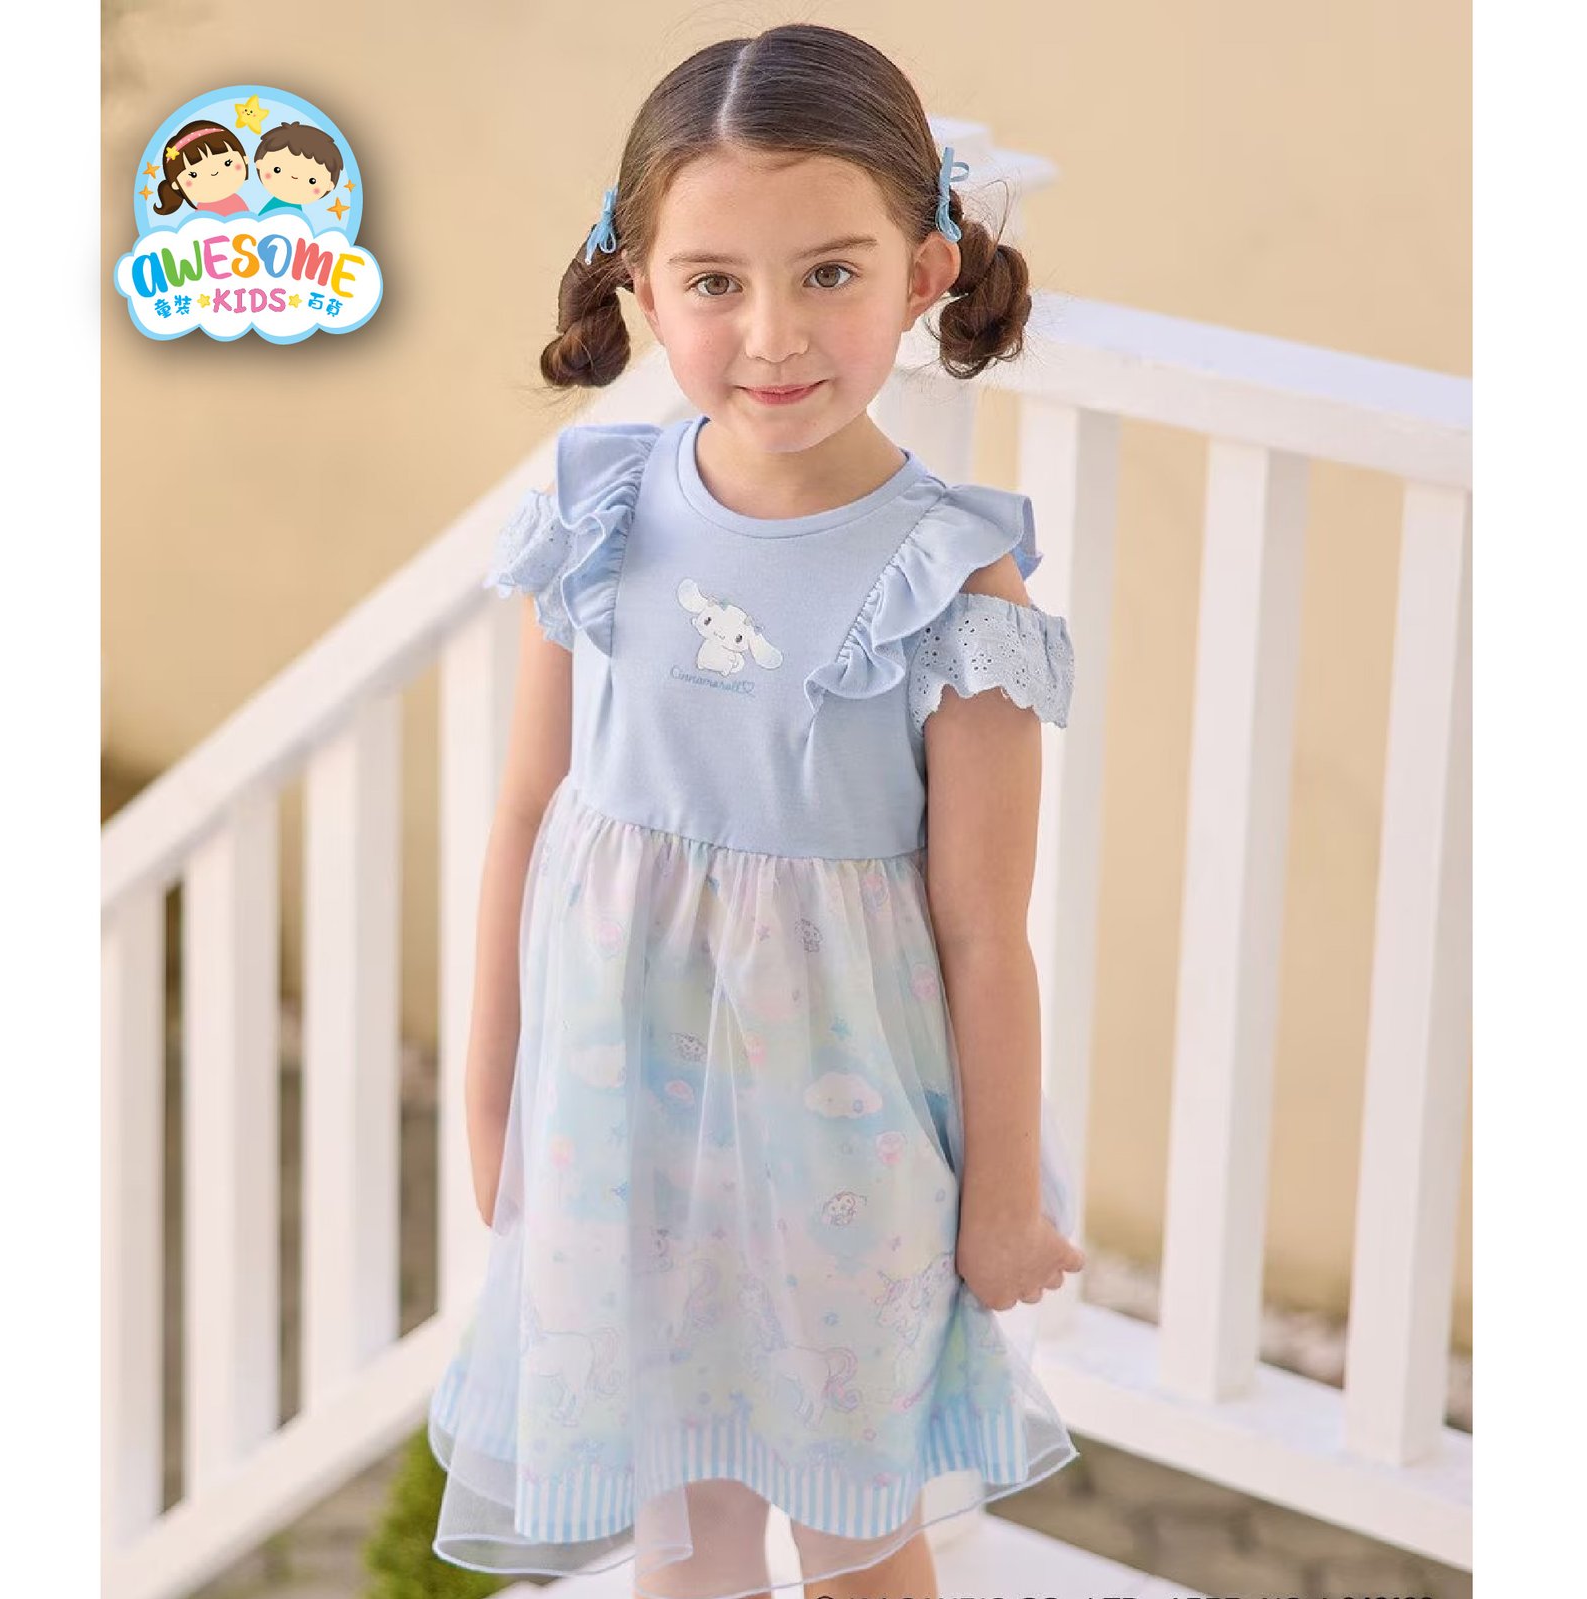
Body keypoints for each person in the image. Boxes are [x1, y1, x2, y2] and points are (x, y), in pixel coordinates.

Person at [427, 23, 1087, 1599]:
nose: (774, 335)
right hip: (618, 1131)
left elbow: (984, 935)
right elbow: (525, 817)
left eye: (830, 273)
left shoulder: (955, 580)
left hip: (842, 1142)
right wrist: (493, 1104)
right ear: (641, 287)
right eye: (715, 281)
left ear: (925, 274)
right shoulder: (597, 512)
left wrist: (1003, 1199)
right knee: (684, 1526)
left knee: (856, 1528)